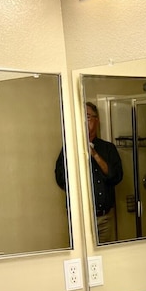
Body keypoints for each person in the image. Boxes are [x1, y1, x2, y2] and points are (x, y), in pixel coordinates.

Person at [55, 102, 123, 243]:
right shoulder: (69, 148)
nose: (84, 121)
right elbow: (61, 179)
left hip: (104, 218)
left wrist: (95, 155)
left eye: (88, 116)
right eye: (81, 118)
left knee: (105, 257)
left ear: (97, 120)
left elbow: (115, 176)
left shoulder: (108, 149)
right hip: (79, 218)